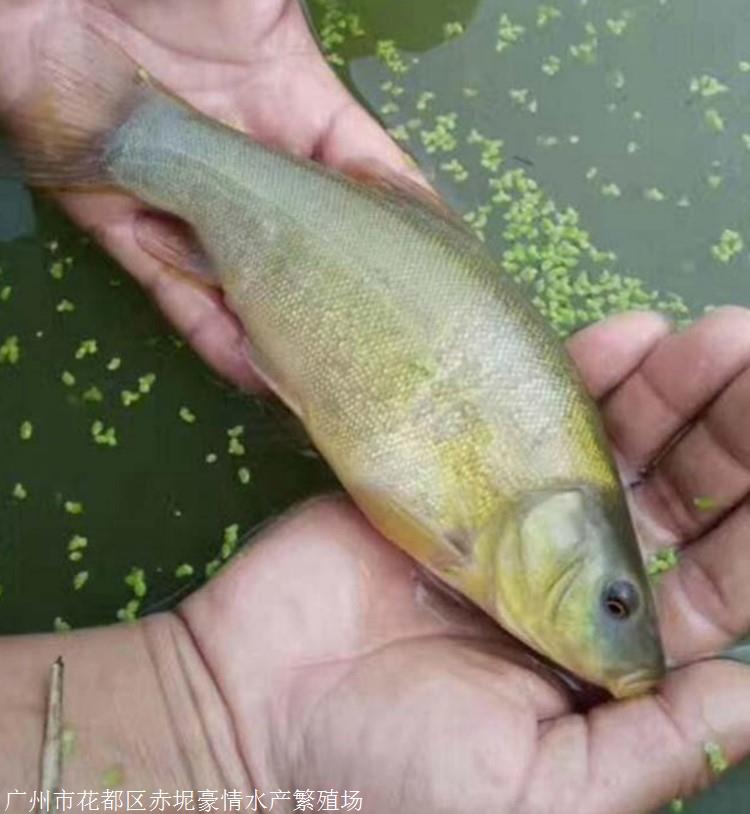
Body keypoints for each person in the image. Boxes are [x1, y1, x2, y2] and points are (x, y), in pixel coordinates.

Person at [1, 2, 750, 812]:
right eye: (616, 602)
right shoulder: (479, 532)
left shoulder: (515, 524)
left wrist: (216, 745)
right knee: (132, 141)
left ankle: (129, 137)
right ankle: (135, 138)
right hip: (300, 245)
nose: (621, 627)